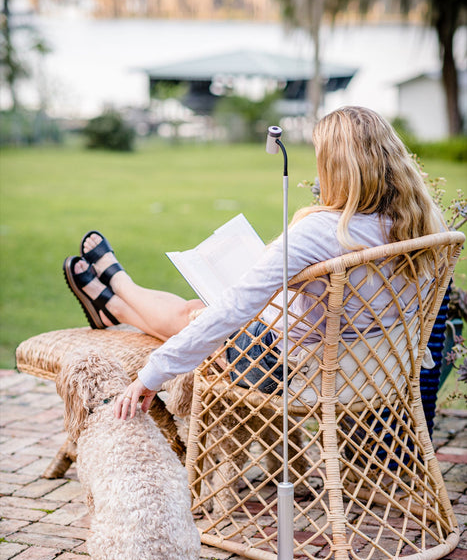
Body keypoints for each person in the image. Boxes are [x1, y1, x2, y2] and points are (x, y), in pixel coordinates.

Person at [63, 106, 444, 421]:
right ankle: (111, 302)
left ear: (337, 167)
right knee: (210, 312)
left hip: (300, 374)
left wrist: (150, 377)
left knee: (198, 314)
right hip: (378, 372)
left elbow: (233, 309)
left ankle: (117, 288)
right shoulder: (424, 225)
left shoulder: (323, 231)